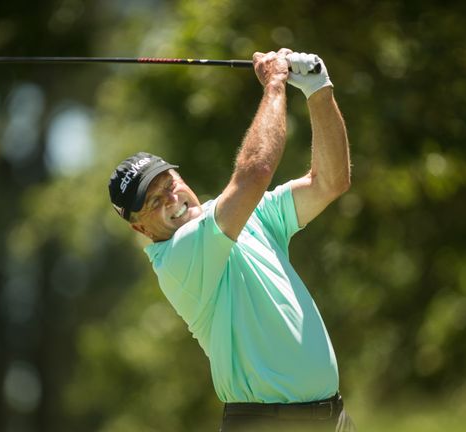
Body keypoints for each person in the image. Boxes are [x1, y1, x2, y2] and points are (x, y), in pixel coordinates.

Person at [108, 48, 354, 431]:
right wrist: (275, 84)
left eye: (170, 184)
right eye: (155, 201)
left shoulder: (241, 217)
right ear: (140, 228)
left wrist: (318, 90)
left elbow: (330, 182)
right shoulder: (177, 256)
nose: (173, 200)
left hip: (333, 418)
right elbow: (255, 173)